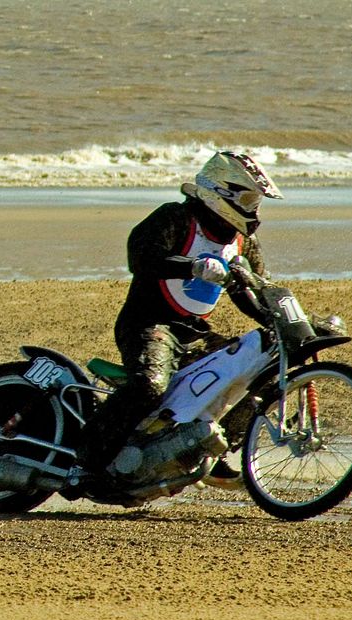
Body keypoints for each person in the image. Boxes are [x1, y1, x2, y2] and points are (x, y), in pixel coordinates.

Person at [75, 150, 284, 486]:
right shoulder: (176, 218)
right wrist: (192, 266)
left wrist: (280, 319)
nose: (254, 210)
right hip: (149, 324)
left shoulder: (243, 242)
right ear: (221, 192)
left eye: (256, 202)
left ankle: (204, 451)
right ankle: (86, 460)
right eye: (248, 199)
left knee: (264, 372)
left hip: (196, 332)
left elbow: (253, 290)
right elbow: (141, 258)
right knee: (149, 385)